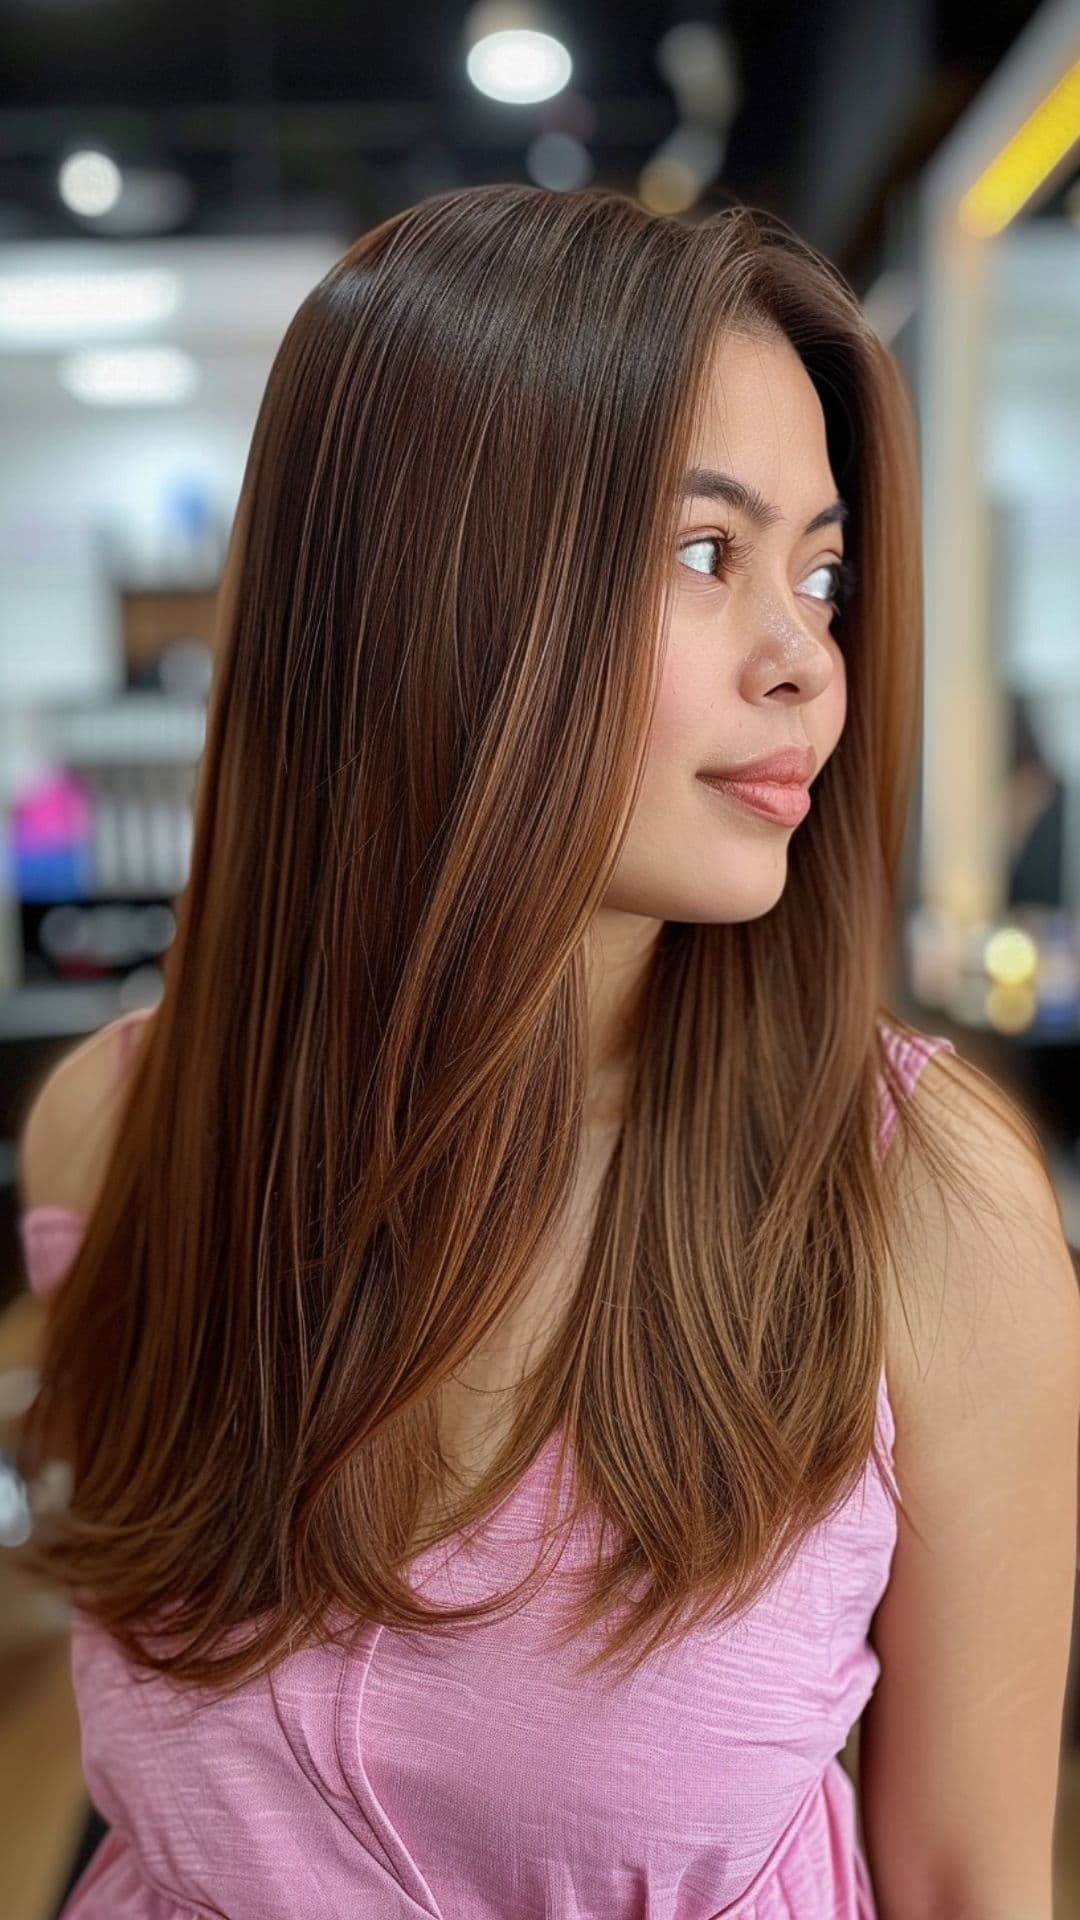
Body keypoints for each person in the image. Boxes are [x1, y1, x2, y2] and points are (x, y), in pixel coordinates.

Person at [13, 184, 1079, 1920]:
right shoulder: (120, 1131)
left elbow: (972, 1878)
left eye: (821, 571)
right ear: (418, 595)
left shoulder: (920, 1208)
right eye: (703, 553)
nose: (806, 656)